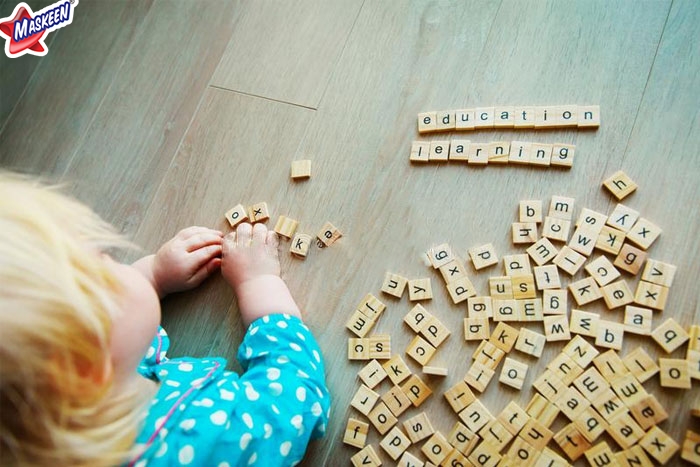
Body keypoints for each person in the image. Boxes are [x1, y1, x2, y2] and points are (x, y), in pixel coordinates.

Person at [0, 172, 330, 466]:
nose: (120, 265)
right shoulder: (201, 445)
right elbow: (295, 401)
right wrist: (257, 284)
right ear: (86, 369)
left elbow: (123, 335)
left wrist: (153, 275)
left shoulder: (73, 402)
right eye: (104, 262)